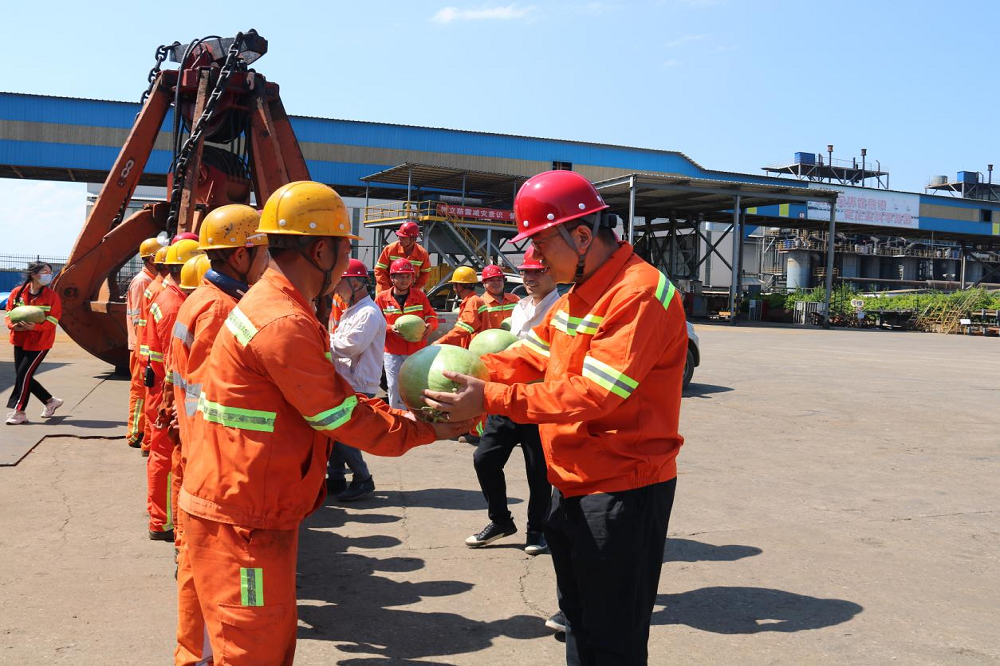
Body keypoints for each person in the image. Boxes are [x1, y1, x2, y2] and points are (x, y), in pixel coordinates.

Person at [178, 181, 473, 665]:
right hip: (246, 515)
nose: (348, 263)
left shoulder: (268, 304)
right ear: (320, 250)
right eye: (345, 250)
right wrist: (427, 428)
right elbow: (340, 415)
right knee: (254, 647)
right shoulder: (283, 321)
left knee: (209, 646)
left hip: (233, 496)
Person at [423, 170, 687, 666]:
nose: (535, 259)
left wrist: (490, 398)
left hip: (622, 490)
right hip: (573, 481)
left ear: (582, 236)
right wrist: (459, 373)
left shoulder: (638, 293)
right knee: (579, 624)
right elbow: (530, 356)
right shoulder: (577, 296)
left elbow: (594, 394)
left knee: (612, 640)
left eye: (541, 245)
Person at [169, 205, 269, 666]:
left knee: (195, 567)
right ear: (240, 256)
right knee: (222, 578)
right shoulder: (221, 310)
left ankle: (193, 655)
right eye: (263, 251)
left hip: (196, 450)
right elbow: (219, 395)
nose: (268, 261)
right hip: (212, 459)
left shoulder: (200, 298)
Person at [466, 248, 558, 554]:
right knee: (484, 459)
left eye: (537, 271)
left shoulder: (563, 310)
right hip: (506, 398)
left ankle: (537, 531)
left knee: (538, 472)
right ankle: (501, 521)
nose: (529, 277)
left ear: (553, 272)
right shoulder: (519, 306)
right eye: (525, 272)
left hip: (539, 402)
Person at [144, 239, 203, 542]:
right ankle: (163, 521)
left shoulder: (169, 297)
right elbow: (175, 361)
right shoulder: (173, 305)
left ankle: (161, 518)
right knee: (167, 458)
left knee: (161, 455)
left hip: (160, 384)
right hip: (166, 389)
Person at [327, 259, 387, 501]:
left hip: (358, 383)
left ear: (355, 283)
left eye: (340, 283)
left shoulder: (368, 313)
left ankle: (363, 478)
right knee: (335, 433)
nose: (336, 288)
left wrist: (322, 340)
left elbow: (350, 347)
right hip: (347, 380)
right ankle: (336, 478)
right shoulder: (353, 310)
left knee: (343, 434)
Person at [375, 258, 438, 411]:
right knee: (394, 386)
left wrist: (430, 326)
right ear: (392, 277)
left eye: (408, 276)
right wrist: (390, 328)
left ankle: (418, 415)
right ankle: (398, 416)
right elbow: (375, 323)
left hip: (417, 351)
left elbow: (431, 316)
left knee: (418, 384)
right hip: (393, 352)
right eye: (400, 276)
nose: (404, 280)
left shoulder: (420, 296)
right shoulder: (382, 298)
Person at [5, 261, 63, 425]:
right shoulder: (17, 293)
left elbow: (53, 320)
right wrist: (13, 326)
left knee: (23, 375)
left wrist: (36, 327)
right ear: (33, 274)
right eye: (45, 272)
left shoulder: (52, 296)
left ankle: (19, 412)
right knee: (23, 376)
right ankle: (50, 401)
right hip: (19, 339)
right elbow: (9, 313)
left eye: (49, 272)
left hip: (40, 342)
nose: (48, 275)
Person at [125, 237, 163, 447]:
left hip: (144, 345)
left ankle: (141, 430)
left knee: (145, 391)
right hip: (140, 346)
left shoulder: (151, 280)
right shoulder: (142, 282)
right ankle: (135, 433)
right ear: (151, 258)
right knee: (139, 392)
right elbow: (139, 319)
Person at [136, 246, 171, 455]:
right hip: (153, 357)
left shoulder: (155, 287)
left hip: (147, 352)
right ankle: (147, 443)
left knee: (151, 404)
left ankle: (147, 443)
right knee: (156, 406)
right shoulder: (160, 291)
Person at [434, 266, 486, 348]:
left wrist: (442, 341)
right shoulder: (471, 301)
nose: (454, 287)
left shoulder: (473, 301)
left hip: (475, 348)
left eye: (454, 284)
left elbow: (464, 328)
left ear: (460, 285)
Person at [373, 221, 432, 293]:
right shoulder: (390, 249)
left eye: (403, 237)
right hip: (386, 288)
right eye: (399, 236)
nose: (399, 238)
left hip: (408, 291)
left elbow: (425, 273)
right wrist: (387, 291)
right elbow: (379, 270)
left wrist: (415, 289)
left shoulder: (422, 253)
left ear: (413, 239)